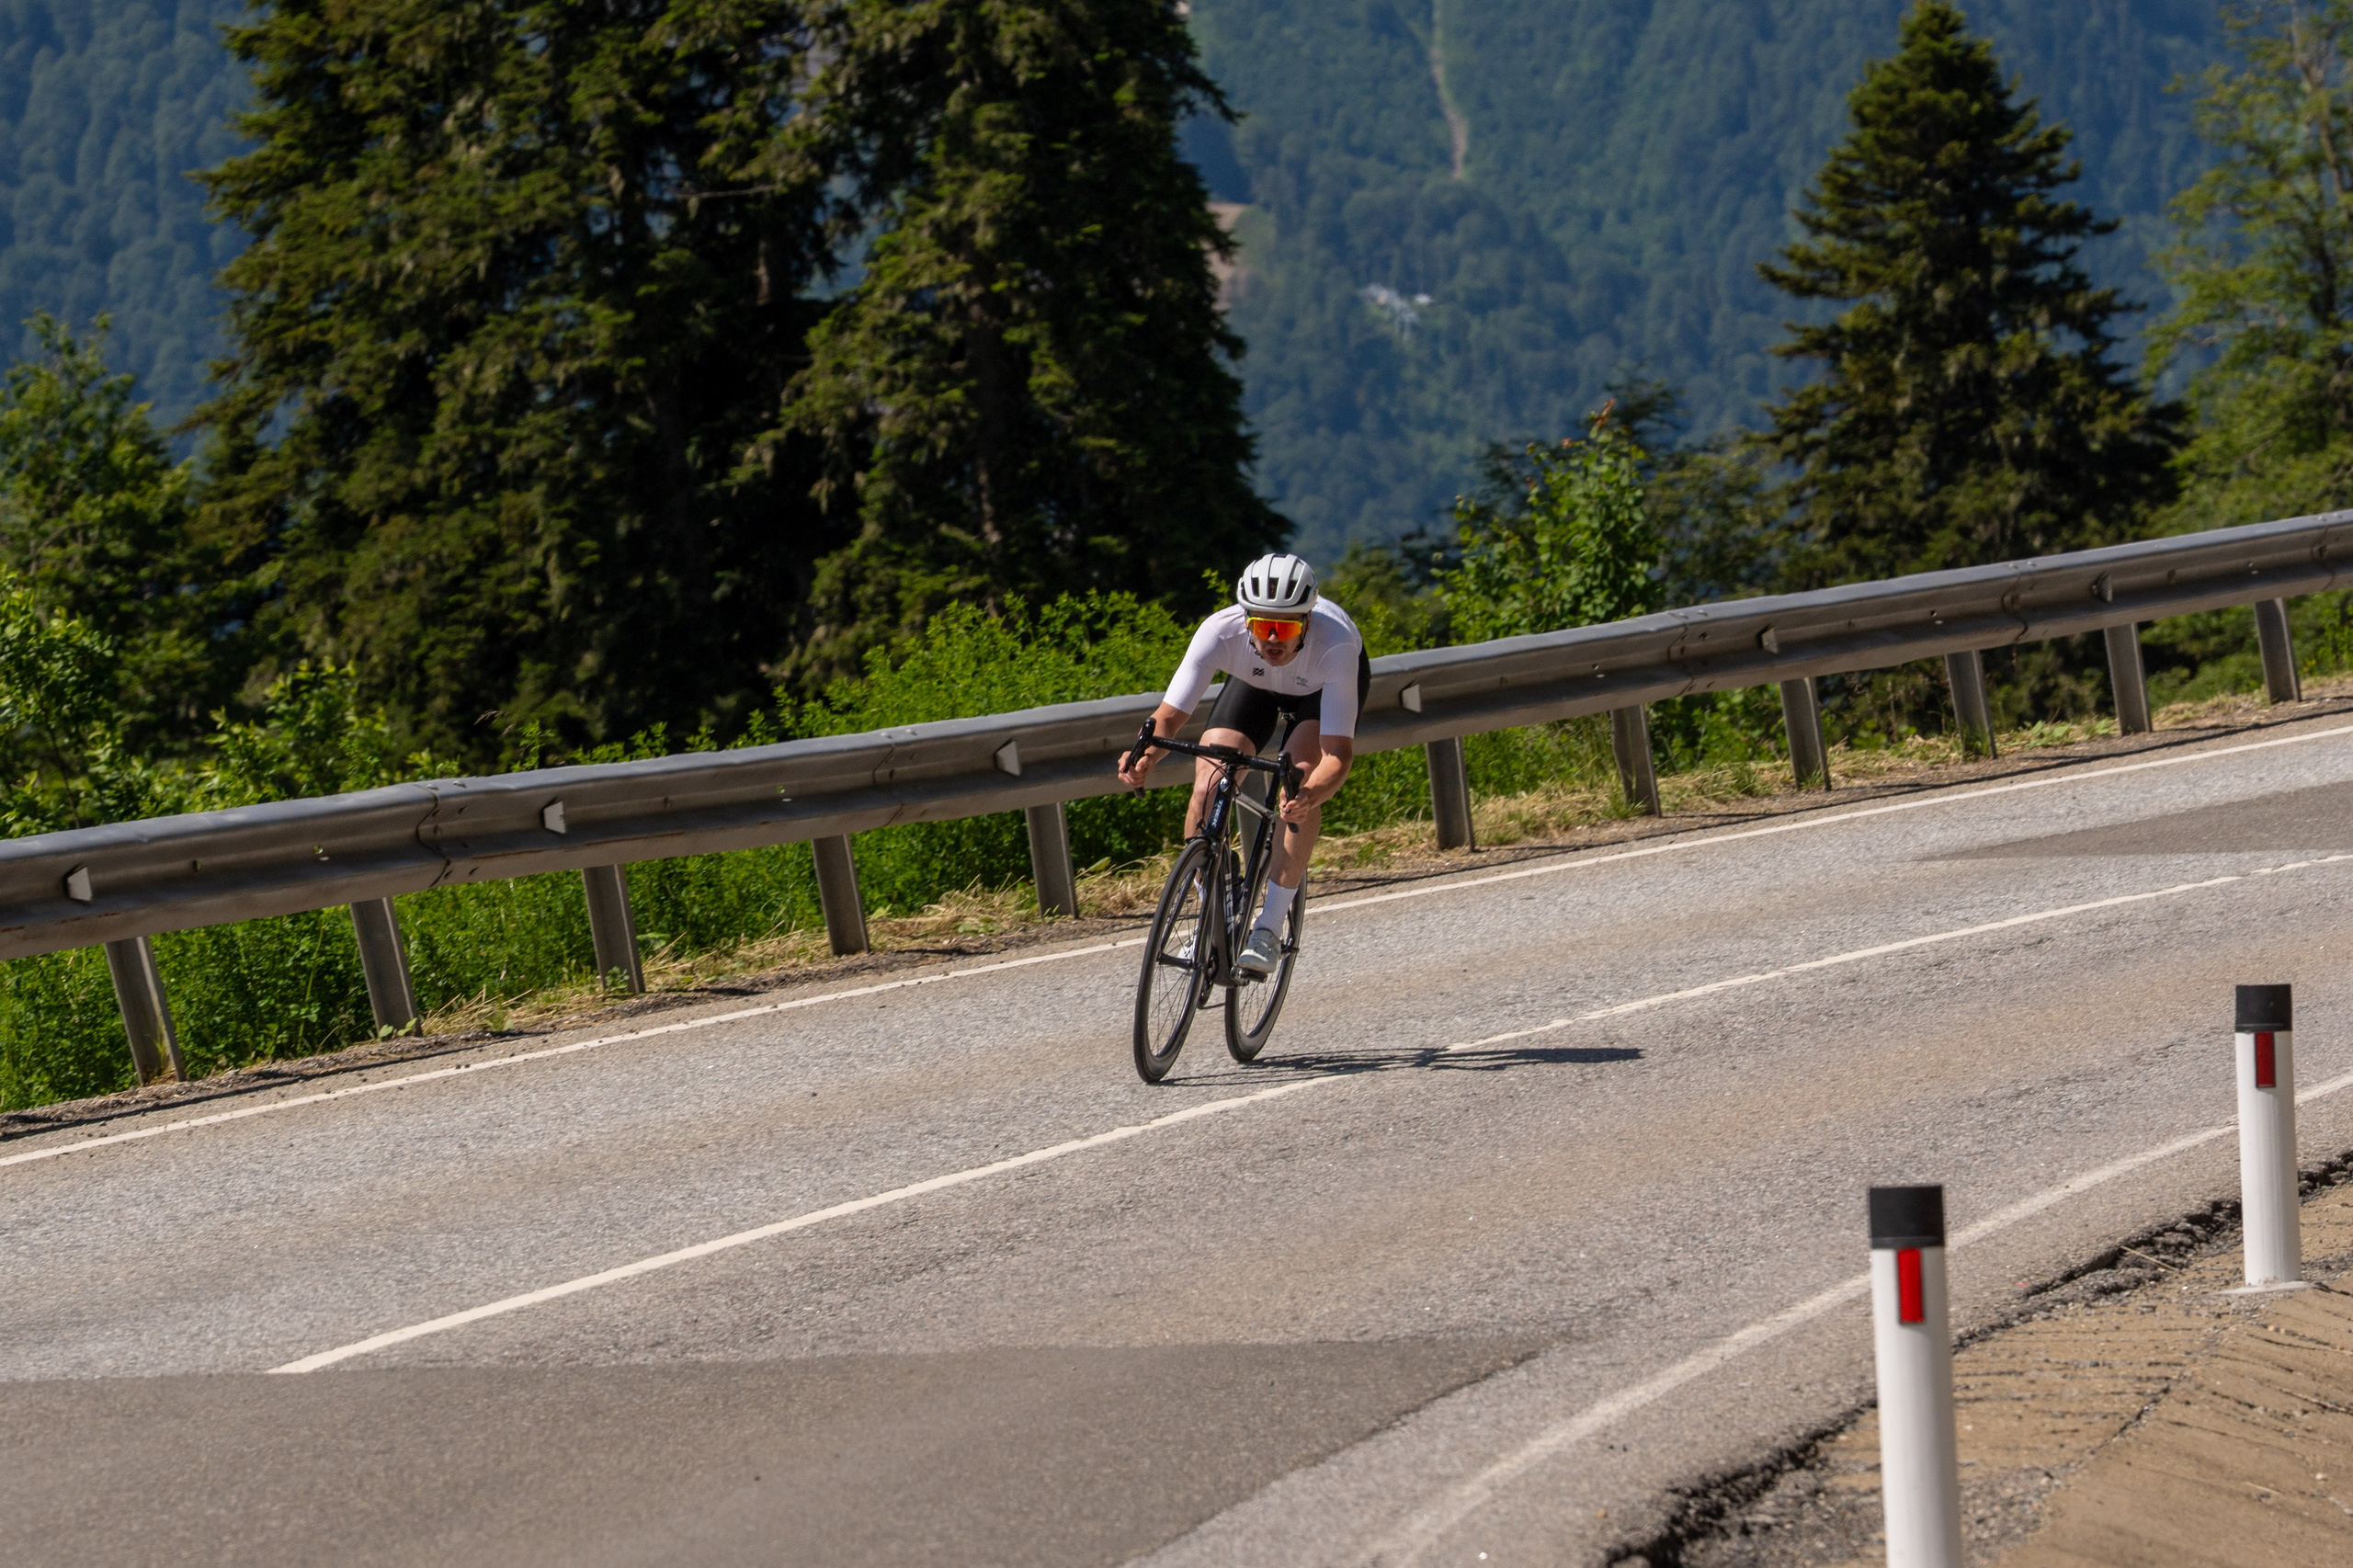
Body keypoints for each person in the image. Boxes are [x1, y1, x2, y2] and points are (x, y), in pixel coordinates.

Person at [1116, 552, 1368, 976]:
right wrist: (1144, 755)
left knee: (1298, 780)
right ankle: (1215, 910)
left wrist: (1309, 795)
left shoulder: (1336, 643)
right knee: (1209, 782)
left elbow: (1337, 755)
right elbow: (1170, 717)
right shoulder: (1220, 631)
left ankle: (1268, 927)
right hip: (1256, 685)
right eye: (1262, 625)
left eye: (1286, 627)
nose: (1273, 639)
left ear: (1307, 621)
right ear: (1246, 619)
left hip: (1318, 691)